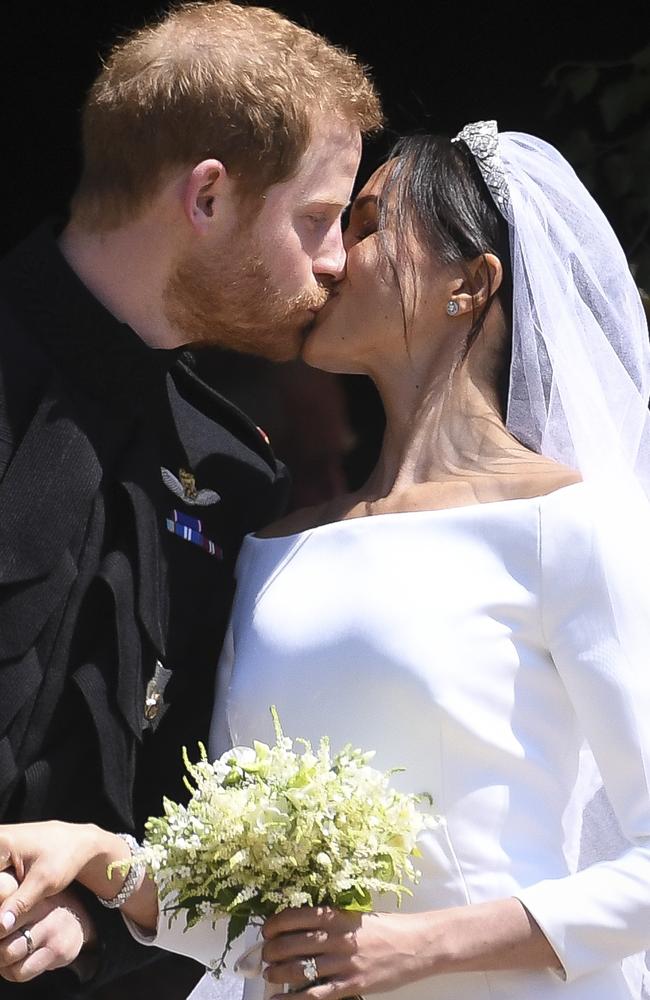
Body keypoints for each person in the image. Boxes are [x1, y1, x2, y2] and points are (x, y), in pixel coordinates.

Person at [1, 119, 649, 1000]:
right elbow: (248, 921)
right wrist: (108, 864)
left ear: (470, 283)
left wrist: (420, 946)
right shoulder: (274, 545)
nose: (334, 258)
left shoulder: (567, 527)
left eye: (370, 224)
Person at [0, 0, 381, 994]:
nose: (338, 261)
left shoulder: (234, 473)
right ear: (206, 197)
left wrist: (91, 916)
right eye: (317, 219)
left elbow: (186, 790)